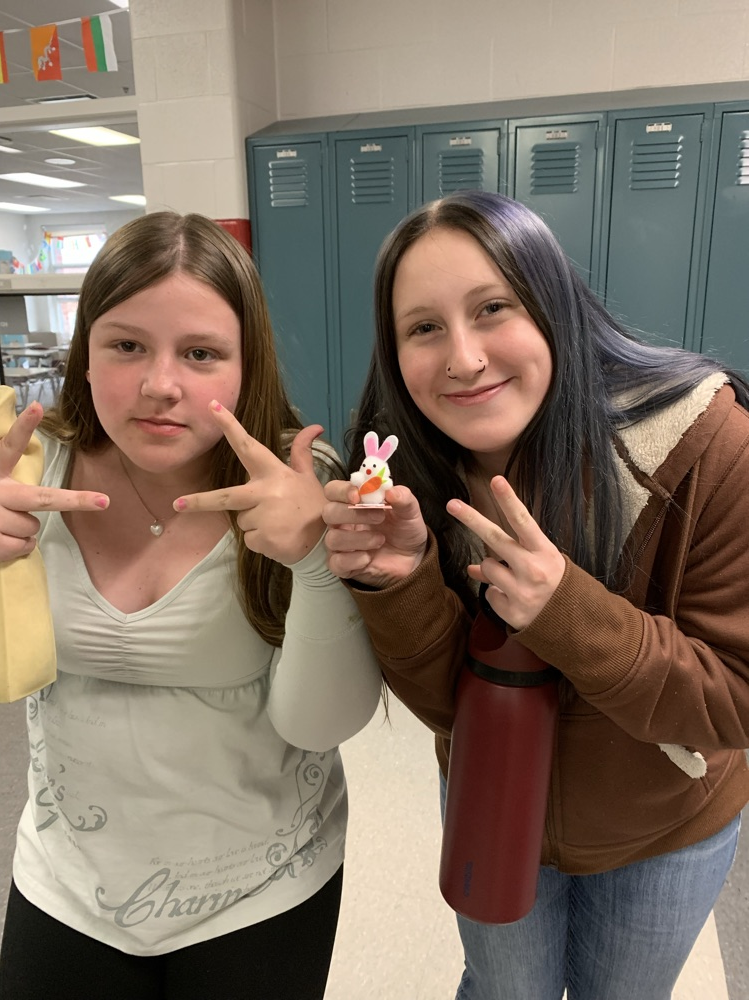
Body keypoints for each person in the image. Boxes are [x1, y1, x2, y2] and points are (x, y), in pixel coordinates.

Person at [322, 190, 749, 1000]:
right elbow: (450, 705)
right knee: (500, 990)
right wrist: (405, 581)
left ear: (553, 306)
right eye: (423, 328)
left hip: (661, 826)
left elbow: (737, 698)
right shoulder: (409, 468)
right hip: (489, 792)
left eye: (493, 309)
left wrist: (569, 613)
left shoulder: (707, 443)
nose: (464, 358)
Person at [0, 211, 381, 1000]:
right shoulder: (27, 469)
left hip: (259, 886)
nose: (159, 384)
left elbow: (320, 725)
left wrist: (311, 561)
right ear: (86, 350)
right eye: (127, 345)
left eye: (200, 353)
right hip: (69, 878)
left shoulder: (294, 483)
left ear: (247, 364)